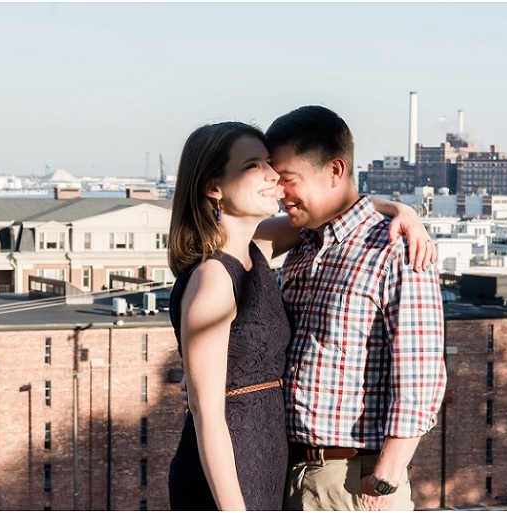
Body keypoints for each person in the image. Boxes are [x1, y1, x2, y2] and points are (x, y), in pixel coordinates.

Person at [167, 121, 436, 510]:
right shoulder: (213, 276)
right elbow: (205, 411)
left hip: (273, 458)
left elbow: (338, 208)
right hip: (231, 463)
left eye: (269, 164)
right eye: (253, 165)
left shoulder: (259, 247)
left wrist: (401, 209)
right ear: (213, 188)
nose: (271, 175)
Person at [265, 106, 447, 511]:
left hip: (351, 480)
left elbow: (420, 371)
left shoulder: (397, 248)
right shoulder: (302, 245)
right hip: (289, 469)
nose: (279, 192)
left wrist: (385, 477)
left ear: (334, 170)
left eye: (288, 179)